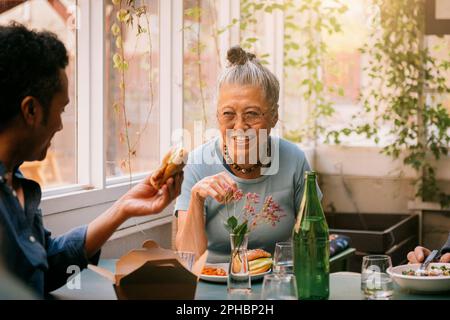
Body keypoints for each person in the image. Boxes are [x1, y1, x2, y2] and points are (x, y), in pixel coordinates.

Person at [0, 23, 182, 297]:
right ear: (31, 110)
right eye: (61, 110)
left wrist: (124, 208)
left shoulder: (19, 185)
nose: (61, 125)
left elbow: (46, 266)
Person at [175, 46, 320, 263]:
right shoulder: (197, 164)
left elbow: (315, 242)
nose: (240, 126)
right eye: (228, 114)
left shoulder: (294, 161)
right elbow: (188, 259)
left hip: (275, 283)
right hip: (213, 284)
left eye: (252, 114)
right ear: (217, 117)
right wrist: (196, 198)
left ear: (273, 116)